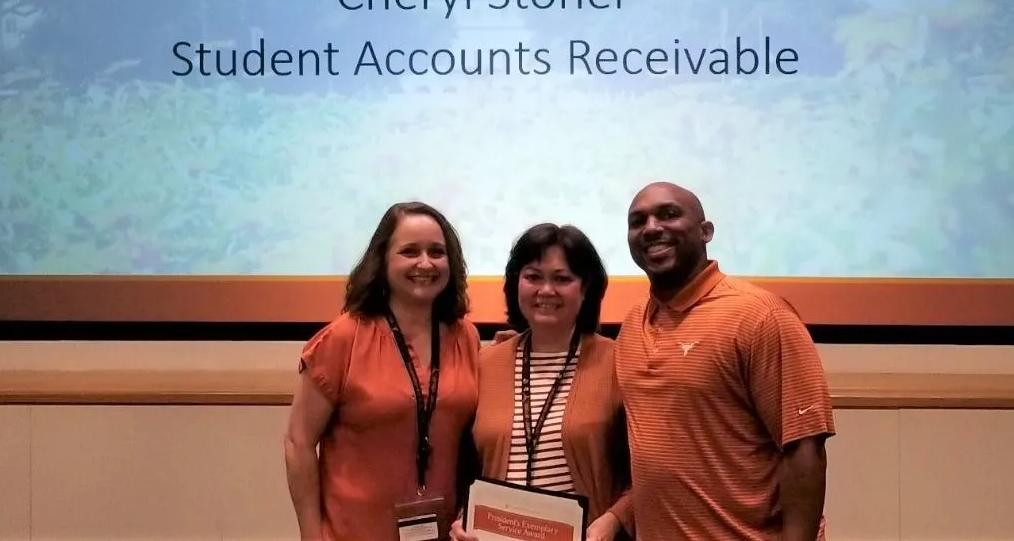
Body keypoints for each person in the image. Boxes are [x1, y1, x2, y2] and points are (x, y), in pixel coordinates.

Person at [614, 181, 836, 541]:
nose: (652, 227)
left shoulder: (760, 315)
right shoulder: (632, 324)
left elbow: (804, 448)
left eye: (668, 214)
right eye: (638, 221)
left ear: (706, 232)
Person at [283, 201, 481, 541]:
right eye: (409, 251)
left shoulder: (466, 336)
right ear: (382, 260)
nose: (425, 263)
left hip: (444, 533)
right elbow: (298, 443)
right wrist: (311, 536)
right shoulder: (344, 338)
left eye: (437, 252)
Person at [451, 223, 633, 541]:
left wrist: (614, 520)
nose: (546, 290)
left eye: (562, 279)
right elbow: (468, 467)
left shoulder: (619, 362)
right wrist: (464, 516)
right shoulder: (485, 363)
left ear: (586, 287)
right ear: (515, 283)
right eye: (533, 276)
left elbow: (653, 468)